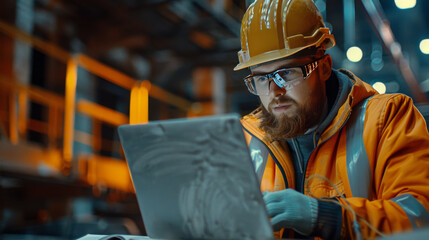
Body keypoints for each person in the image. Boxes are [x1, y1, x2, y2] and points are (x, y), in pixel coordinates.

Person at [234, 0, 429, 239]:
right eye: (262, 79)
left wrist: (325, 216)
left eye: (286, 73)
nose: (275, 91)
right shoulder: (243, 140)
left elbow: (419, 216)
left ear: (324, 68)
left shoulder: (388, 118)